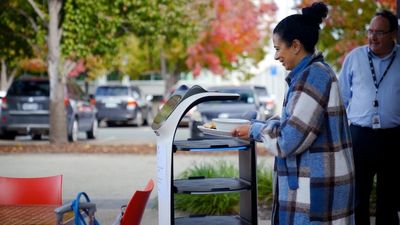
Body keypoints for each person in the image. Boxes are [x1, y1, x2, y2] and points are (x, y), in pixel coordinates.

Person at [232, 2, 355, 224]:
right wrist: (267, 123)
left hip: (318, 186)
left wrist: (254, 129)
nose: (276, 56)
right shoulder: (311, 73)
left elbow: (288, 140)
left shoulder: (312, 77)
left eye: (278, 48)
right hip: (318, 183)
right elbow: (302, 124)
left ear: (296, 45)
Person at [338, 10, 400, 225]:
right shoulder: (354, 57)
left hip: (394, 137)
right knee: (358, 197)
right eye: (370, 31)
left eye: (379, 32)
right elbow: (342, 97)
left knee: (389, 198)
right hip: (359, 136)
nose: (373, 37)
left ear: (393, 34)